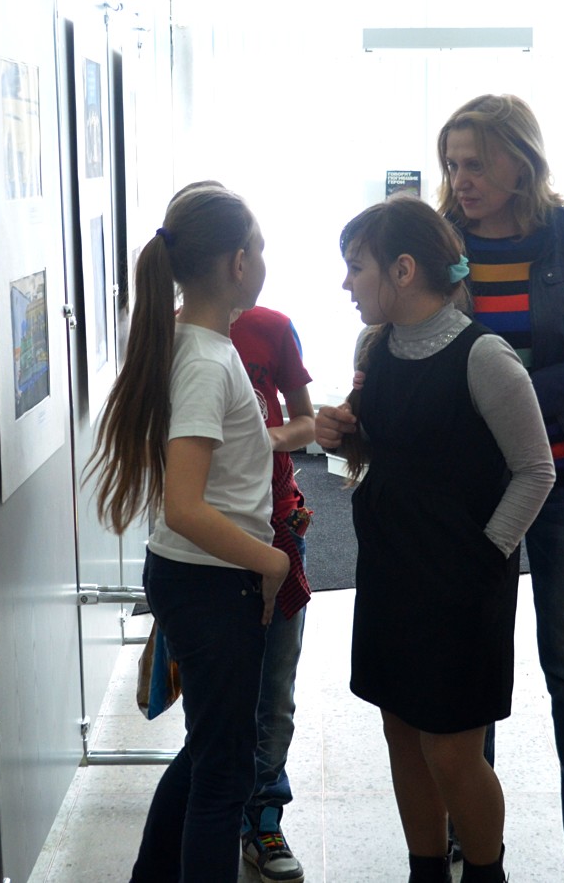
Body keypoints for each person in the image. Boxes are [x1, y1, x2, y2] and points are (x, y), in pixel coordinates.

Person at [315, 196, 555, 883]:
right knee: (402, 735)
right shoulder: (376, 348)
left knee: (452, 750)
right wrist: (342, 437)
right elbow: (392, 452)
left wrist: (483, 556)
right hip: (391, 572)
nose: (346, 283)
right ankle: (425, 870)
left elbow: (536, 470)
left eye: (356, 267)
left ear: (404, 269)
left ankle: (484, 872)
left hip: (461, 585)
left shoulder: (484, 357)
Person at [435, 94, 564, 882]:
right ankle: (470, 832)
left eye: (476, 163)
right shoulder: (439, 238)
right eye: (453, 163)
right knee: (467, 666)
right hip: (468, 484)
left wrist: (513, 388)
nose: (461, 179)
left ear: (521, 164)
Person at [89, 183, 290, 883]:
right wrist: (269, 562)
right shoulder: (204, 360)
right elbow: (184, 506)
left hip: (195, 578)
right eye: (259, 247)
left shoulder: (191, 341)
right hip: (211, 584)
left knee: (210, 752)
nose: (263, 259)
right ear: (238, 263)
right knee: (223, 776)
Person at [230, 304, 316, 883]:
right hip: (210, 542)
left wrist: (268, 439)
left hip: (279, 528)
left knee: (275, 692)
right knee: (220, 694)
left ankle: (263, 816)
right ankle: (219, 809)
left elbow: (306, 422)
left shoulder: (272, 328)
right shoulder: (174, 331)